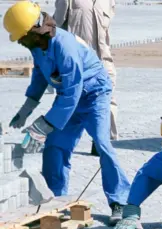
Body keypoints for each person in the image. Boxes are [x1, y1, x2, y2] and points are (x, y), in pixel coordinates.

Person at [3, 1, 130, 224]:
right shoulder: (37, 45)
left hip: (94, 94)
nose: (20, 43)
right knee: (54, 146)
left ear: (34, 30)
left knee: (102, 143)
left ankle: (120, 201)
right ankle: (55, 199)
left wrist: (45, 123)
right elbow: (41, 76)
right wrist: (26, 109)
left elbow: (72, 91)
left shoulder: (64, 46)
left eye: (21, 37)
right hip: (71, 98)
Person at [53, 0, 118, 156]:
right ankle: (60, 142)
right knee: (71, 100)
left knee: (109, 99)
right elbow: (56, 27)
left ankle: (102, 142)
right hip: (79, 60)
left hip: (103, 60)